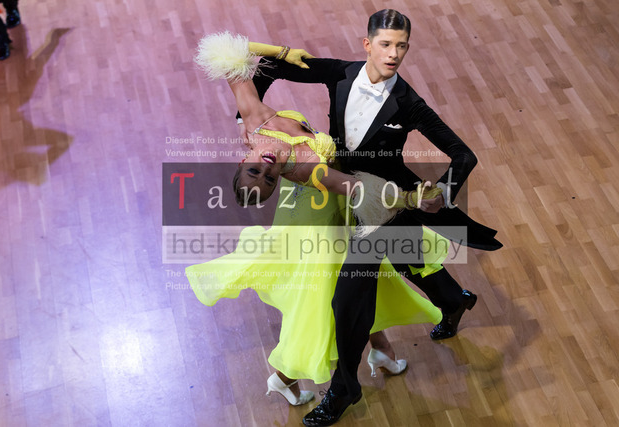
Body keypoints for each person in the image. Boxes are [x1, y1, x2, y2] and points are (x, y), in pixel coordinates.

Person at [243, 9, 503, 425]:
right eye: (385, 44)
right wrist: (249, 122)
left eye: (401, 46)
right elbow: (269, 67)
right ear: (368, 45)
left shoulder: (409, 103)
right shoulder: (341, 73)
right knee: (408, 259)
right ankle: (455, 301)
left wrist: (442, 191)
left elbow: (463, 154)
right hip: (342, 193)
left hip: (384, 202)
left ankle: (345, 388)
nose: (393, 54)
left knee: (348, 297)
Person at [187, 32, 450, 406]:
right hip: (324, 225)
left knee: (364, 287)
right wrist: (410, 198)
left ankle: (381, 350)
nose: (266, 170)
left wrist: (282, 53)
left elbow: (223, 51)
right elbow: (357, 188)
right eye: (269, 179)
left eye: (255, 171)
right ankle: (285, 376)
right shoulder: (301, 168)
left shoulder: (255, 121)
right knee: (326, 306)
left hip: (328, 216)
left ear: (243, 159)